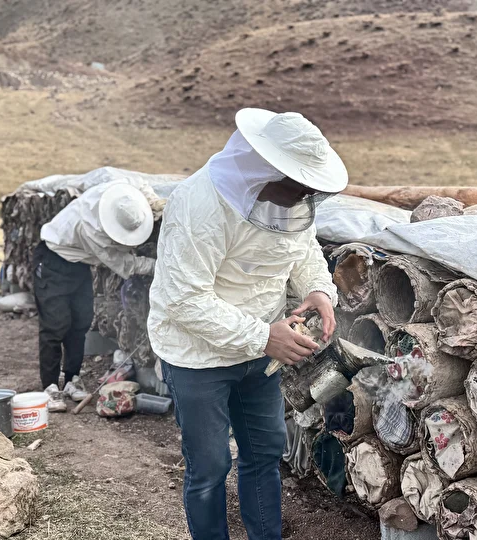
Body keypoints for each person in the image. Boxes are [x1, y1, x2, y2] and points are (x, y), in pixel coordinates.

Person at [148, 108, 348, 539]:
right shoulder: (199, 204)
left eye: (308, 191)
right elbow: (184, 299)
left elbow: (303, 249)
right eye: (296, 187)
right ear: (263, 172)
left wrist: (319, 290)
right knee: (209, 466)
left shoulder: (289, 201)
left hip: (261, 351)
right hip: (198, 356)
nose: (302, 198)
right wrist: (262, 336)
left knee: (264, 452)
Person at [35, 180, 156, 412]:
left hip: (79, 264)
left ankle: (71, 379)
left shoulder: (119, 192)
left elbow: (139, 183)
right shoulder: (93, 230)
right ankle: (50, 386)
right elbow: (124, 264)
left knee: (80, 322)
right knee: (55, 324)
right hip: (53, 260)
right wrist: (157, 266)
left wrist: (152, 199)